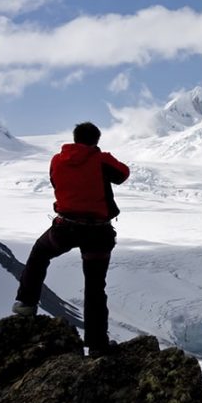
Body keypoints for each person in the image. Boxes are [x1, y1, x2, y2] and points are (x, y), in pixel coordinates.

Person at [12, 121, 129, 357]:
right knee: (95, 286)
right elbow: (122, 174)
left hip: (65, 228)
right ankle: (97, 344)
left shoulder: (57, 160)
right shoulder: (101, 160)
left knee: (40, 254)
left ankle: (25, 304)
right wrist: (100, 155)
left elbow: (56, 183)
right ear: (96, 140)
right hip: (97, 231)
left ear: (75, 139)